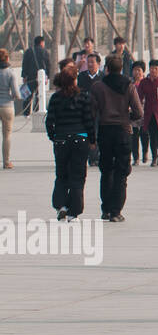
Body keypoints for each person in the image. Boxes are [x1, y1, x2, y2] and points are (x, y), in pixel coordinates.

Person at [89, 54, 143, 223]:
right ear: (121, 68)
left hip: (105, 131)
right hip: (123, 132)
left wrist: (92, 135)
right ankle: (116, 211)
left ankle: (105, 209)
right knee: (121, 172)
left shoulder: (98, 86)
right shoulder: (129, 86)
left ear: (106, 68)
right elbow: (139, 112)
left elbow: (91, 112)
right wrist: (129, 118)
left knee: (106, 171)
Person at [47, 68, 95, 221]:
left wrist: (53, 137)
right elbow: (89, 120)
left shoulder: (55, 98)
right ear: (74, 81)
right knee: (78, 176)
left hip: (61, 140)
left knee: (61, 175)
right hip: (80, 139)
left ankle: (60, 205)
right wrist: (92, 140)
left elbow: (50, 121)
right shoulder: (83, 97)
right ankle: (74, 212)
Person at [138, 60, 158, 166]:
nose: (153, 71)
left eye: (156, 69)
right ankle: (154, 157)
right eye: (152, 68)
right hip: (149, 113)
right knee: (152, 136)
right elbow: (139, 97)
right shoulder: (144, 82)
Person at [20, 35, 50, 116]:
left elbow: (24, 64)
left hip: (30, 77)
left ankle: (26, 114)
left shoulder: (28, 51)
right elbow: (48, 65)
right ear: (41, 42)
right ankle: (37, 111)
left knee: (28, 95)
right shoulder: (45, 51)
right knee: (39, 95)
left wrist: (24, 76)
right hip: (40, 77)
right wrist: (47, 77)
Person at [0, 49, 19, 169]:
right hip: (7, 105)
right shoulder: (10, 73)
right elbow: (16, 93)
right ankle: (6, 162)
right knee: (6, 135)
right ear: (7, 58)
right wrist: (15, 97)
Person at [129, 63, 148, 165]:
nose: (137, 72)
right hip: (133, 111)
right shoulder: (130, 83)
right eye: (135, 70)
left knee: (145, 134)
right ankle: (135, 157)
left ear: (143, 71)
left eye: (139, 70)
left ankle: (145, 152)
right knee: (134, 135)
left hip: (145, 111)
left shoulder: (146, 82)